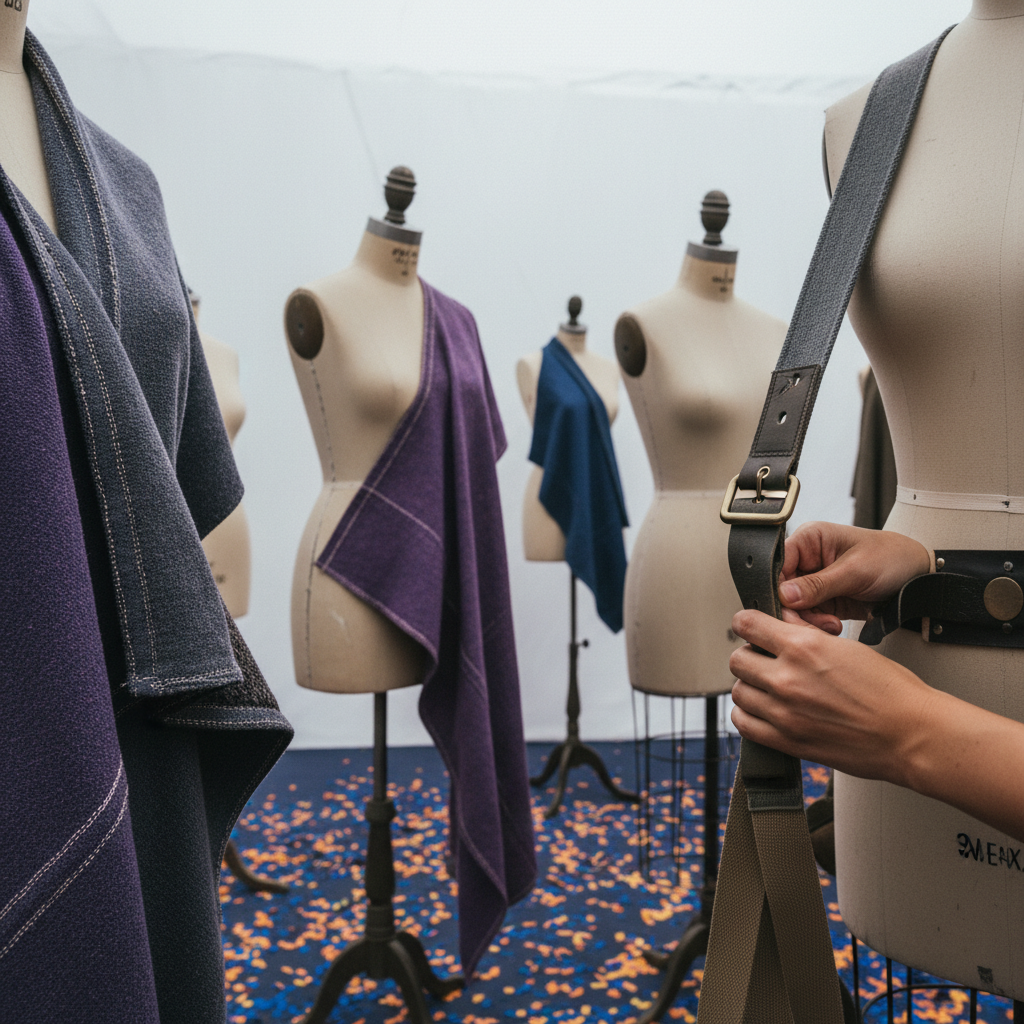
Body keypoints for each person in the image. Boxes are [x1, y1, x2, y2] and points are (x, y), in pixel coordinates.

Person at [728, 522, 1024, 844]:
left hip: (894, 741)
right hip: (893, 813)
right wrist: (924, 574)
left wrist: (903, 730)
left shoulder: (894, 732)